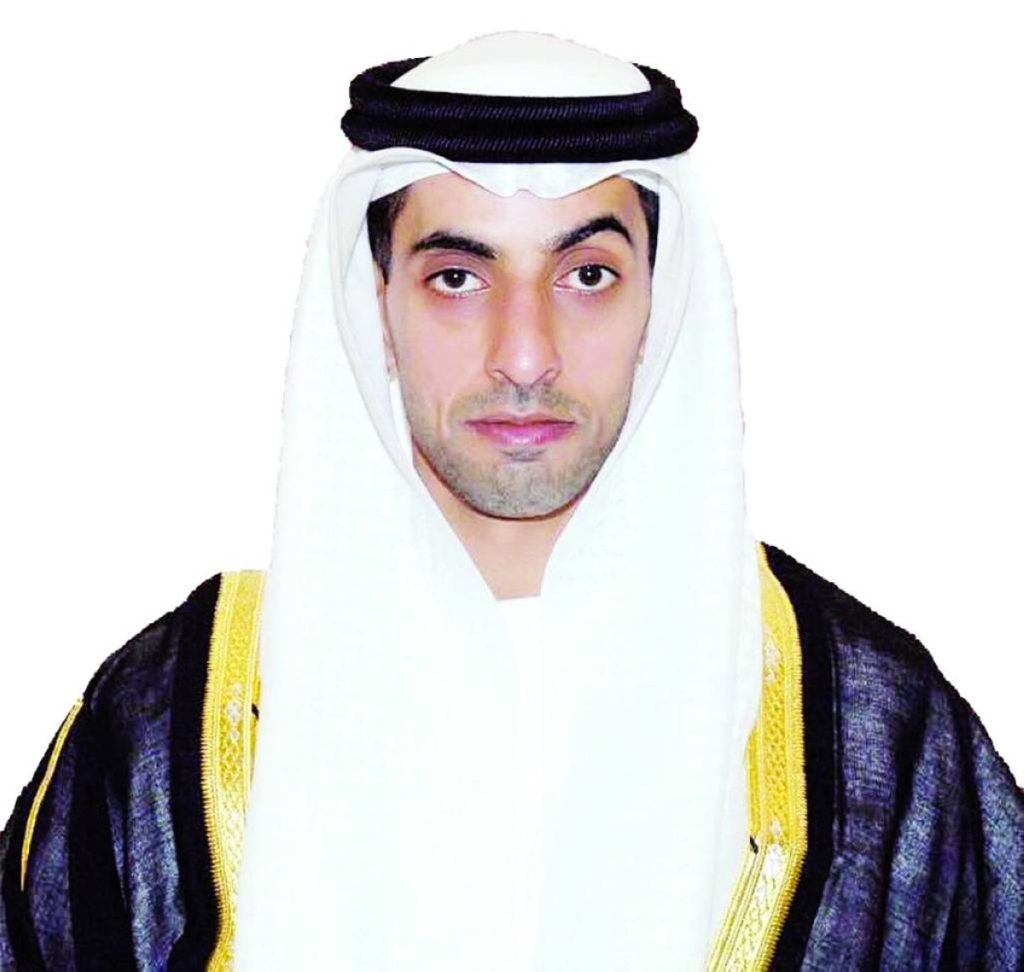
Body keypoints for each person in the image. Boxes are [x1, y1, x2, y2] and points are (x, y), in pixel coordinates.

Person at [1, 30, 1021, 971]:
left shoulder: (876, 734)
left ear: (661, 302)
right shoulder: (169, 722)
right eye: (457, 277)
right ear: (376, 306)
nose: (525, 355)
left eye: (586, 275)